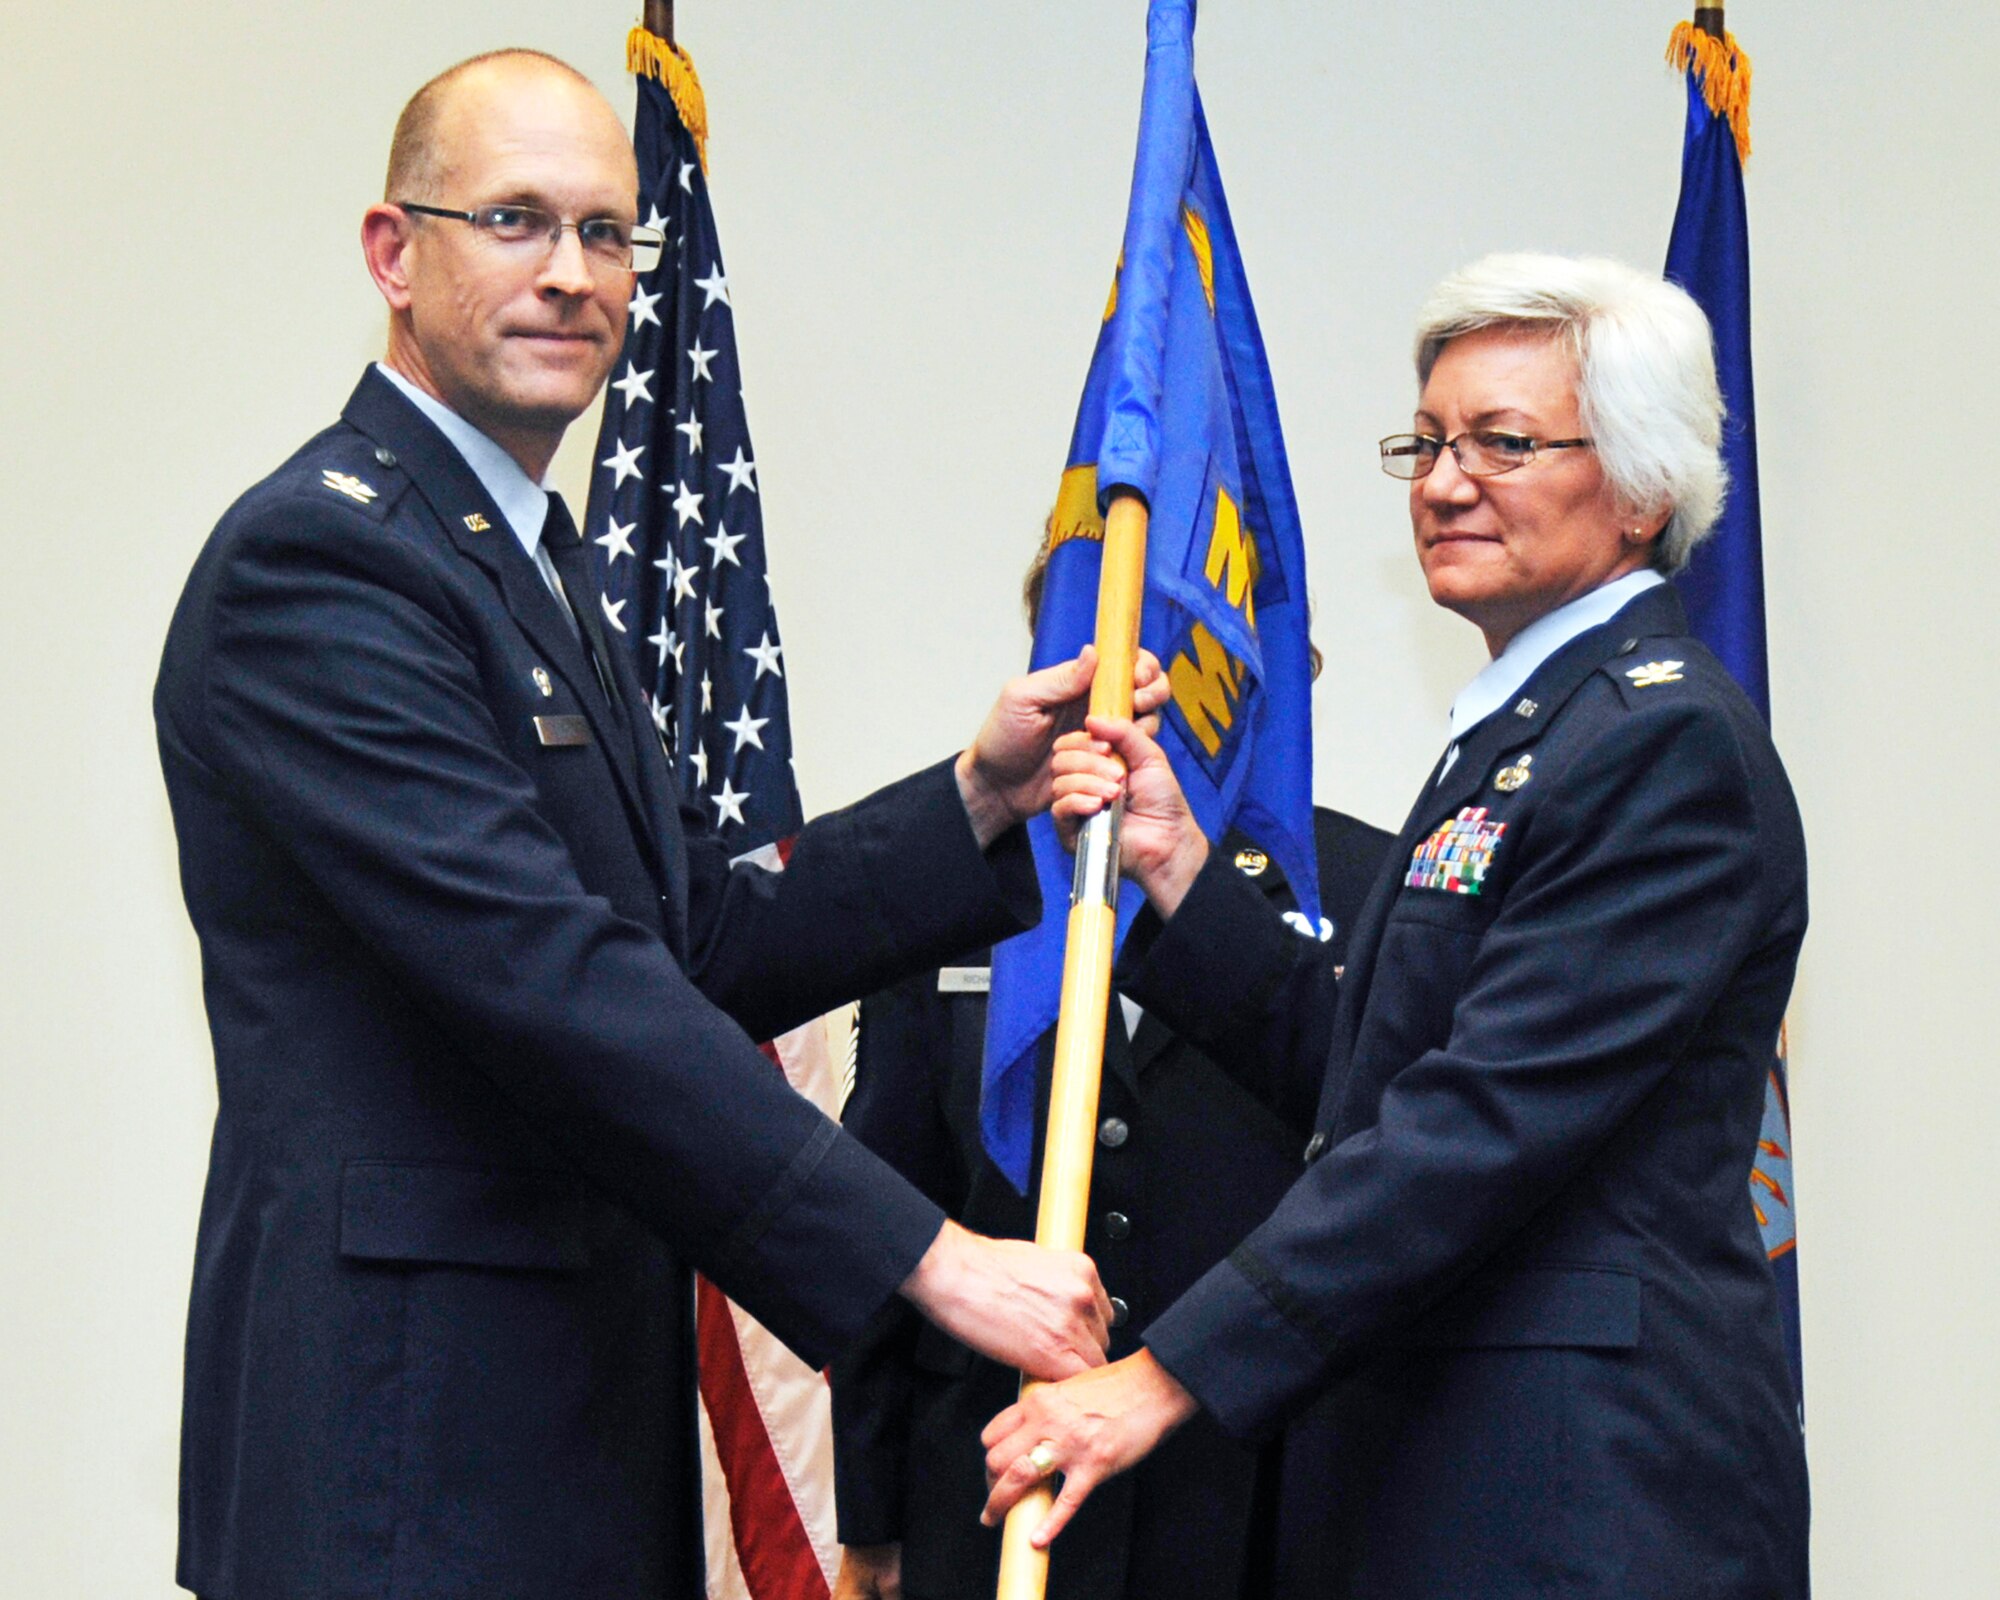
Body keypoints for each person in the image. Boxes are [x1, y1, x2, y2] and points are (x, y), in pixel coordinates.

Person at [154, 50, 1166, 1600]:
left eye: (605, 234)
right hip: (400, 1454)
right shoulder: (322, 564)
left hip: (553, 1432)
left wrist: (983, 792)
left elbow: (691, 930)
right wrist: (930, 1255)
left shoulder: (528, 564)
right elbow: (546, 972)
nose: (572, 274)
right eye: (513, 221)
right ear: (392, 252)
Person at [980, 253, 1811, 1599]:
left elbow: (1472, 1129)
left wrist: (1164, 1375)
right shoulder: (1528, 733)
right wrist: (1177, 868)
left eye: (1502, 443)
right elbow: (1367, 1079)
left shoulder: (1662, 746)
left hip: (1582, 1506)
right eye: (1425, 444)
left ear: (1643, 488)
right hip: (1449, 1479)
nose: (1441, 483)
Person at [830, 541, 1393, 1600]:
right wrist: (875, 1516)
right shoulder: (958, 881)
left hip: (1249, 1509)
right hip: (991, 1503)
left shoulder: (1367, 891)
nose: (1141, 678)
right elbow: (888, 1204)